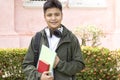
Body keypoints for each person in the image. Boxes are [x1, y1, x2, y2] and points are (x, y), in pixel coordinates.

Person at [22, 0, 85, 80]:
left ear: (62, 15)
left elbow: (80, 65)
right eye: (49, 15)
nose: (53, 18)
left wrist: (59, 64)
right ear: (44, 16)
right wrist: (39, 76)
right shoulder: (37, 38)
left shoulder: (71, 38)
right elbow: (26, 65)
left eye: (57, 14)